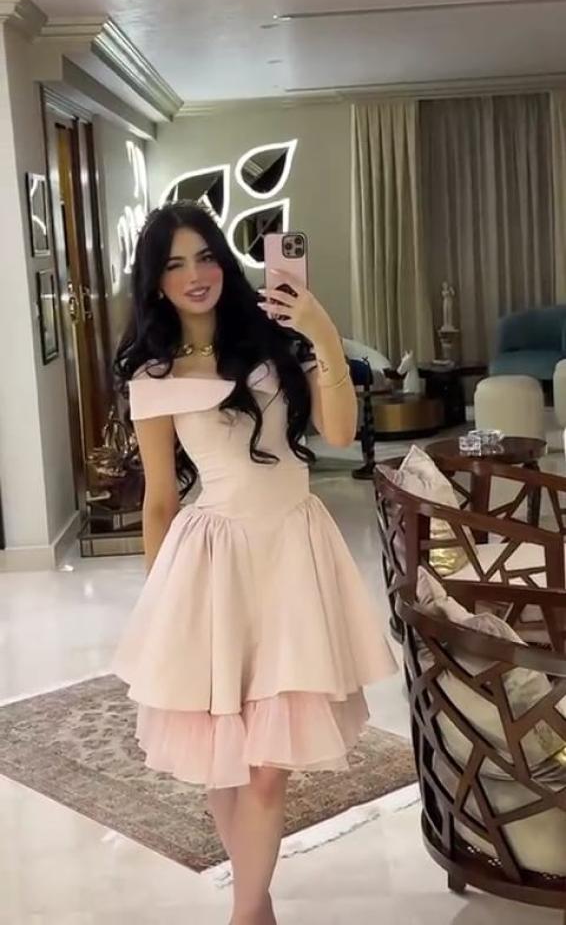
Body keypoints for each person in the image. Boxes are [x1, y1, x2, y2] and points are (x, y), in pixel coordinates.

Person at [112, 201, 396, 925]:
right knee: (222, 754)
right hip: (213, 564)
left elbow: (339, 433)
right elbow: (159, 502)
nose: (195, 274)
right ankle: (255, 908)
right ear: (155, 283)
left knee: (268, 773)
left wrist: (321, 331)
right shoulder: (152, 376)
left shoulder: (272, 341)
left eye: (205, 256)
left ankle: (244, 914)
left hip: (292, 553)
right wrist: (162, 609)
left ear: (224, 261)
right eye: (175, 264)